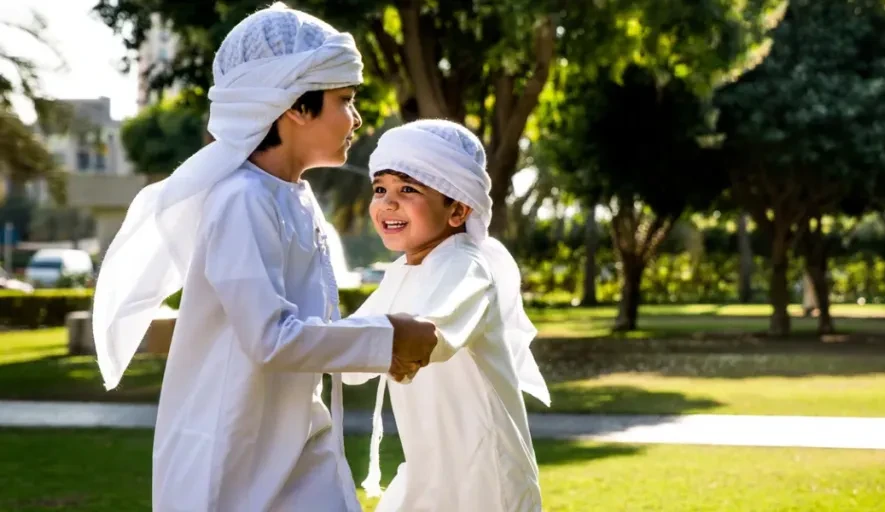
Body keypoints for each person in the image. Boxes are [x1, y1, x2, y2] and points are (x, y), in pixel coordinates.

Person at [90, 5, 437, 511]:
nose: (357, 118)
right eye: (345, 100)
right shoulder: (240, 200)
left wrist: (391, 347)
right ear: (296, 106)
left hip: (299, 447)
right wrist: (389, 338)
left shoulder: (294, 196)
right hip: (231, 463)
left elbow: (310, 331)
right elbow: (270, 337)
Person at [338, 119, 551, 511]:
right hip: (427, 477)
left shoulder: (466, 265)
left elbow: (432, 335)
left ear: (457, 208)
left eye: (407, 189)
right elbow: (350, 361)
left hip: (486, 481)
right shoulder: (401, 274)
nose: (387, 202)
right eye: (380, 188)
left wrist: (398, 347)